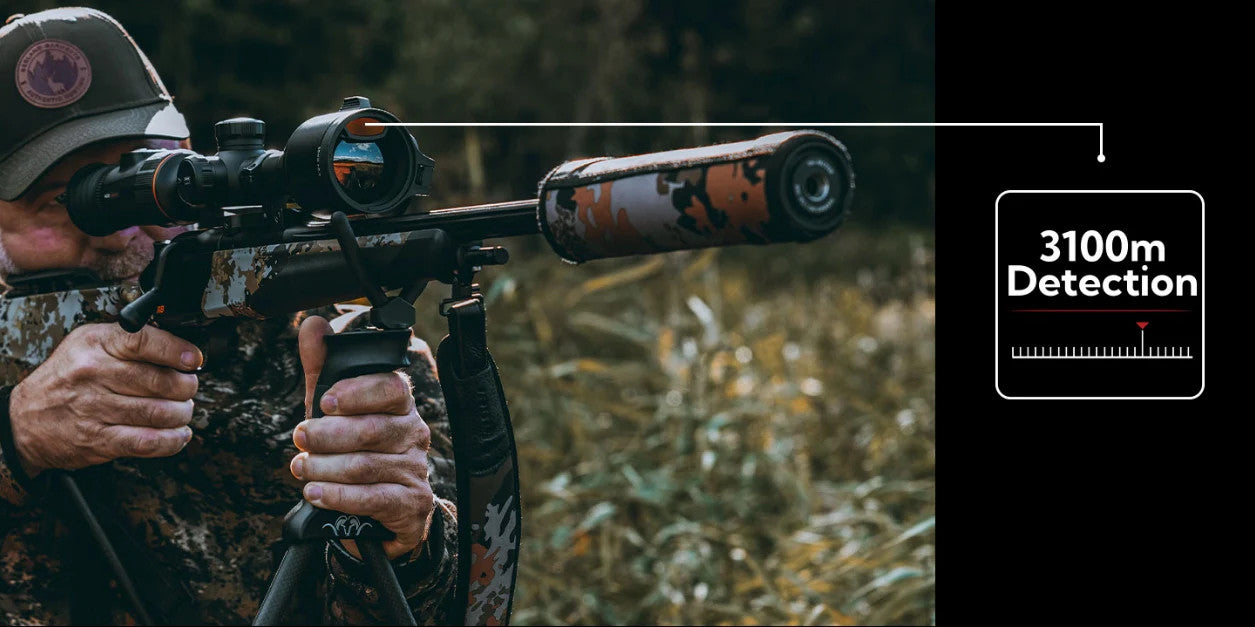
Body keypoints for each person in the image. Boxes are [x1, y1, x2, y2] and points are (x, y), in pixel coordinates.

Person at [0, 8, 459, 624]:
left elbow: (457, 606)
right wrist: (17, 435)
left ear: (189, 157)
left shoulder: (341, 352)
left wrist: (405, 534)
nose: (119, 231)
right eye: (62, 201)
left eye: (145, 177)